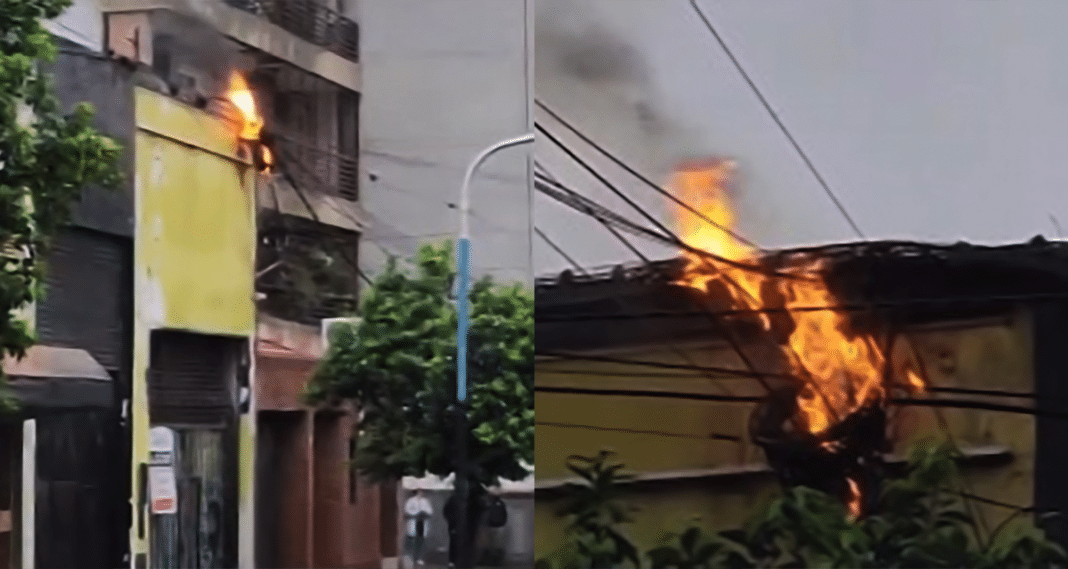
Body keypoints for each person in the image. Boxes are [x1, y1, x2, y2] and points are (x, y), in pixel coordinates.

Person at [404, 487, 433, 568]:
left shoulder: (425, 501)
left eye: (422, 492)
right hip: (414, 522)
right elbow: (407, 510)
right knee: (412, 541)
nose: (421, 493)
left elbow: (430, 511)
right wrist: (416, 513)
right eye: (420, 491)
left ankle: (419, 558)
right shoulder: (411, 500)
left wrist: (424, 512)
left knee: (420, 541)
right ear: (416, 492)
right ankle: (411, 558)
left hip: (422, 522)